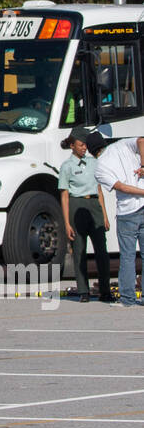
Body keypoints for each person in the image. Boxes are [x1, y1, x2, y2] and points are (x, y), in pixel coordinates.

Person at [87, 131, 144, 307]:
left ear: (91, 151)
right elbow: (141, 140)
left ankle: (128, 299)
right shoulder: (121, 144)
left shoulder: (99, 168)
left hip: (127, 212)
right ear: (104, 143)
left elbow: (120, 187)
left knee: (127, 257)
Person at [58, 127, 112, 303]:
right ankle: (83, 290)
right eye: (81, 145)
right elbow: (65, 196)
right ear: (72, 145)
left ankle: (105, 290)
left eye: (85, 145)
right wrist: (66, 223)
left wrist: (104, 215)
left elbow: (99, 189)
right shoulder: (67, 167)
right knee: (79, 250)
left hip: (94, 205)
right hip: (77, 205)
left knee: (101, 251)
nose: (84, 148)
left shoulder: (94, 163)